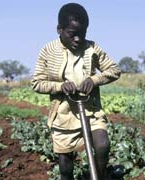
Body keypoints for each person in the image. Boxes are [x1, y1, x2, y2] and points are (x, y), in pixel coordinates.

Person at [31, 3, 121, 180]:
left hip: (91, 110)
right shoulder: (48, 51)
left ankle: (99, 177)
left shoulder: (92, 48)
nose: (78, 39)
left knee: (102, 146)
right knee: (65, 168)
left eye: (82, 34)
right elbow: (37, 83)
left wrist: (94, 80)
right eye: (72, 34)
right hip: (63, 116)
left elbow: (114, 70)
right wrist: (60, 86)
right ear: (59, 29)